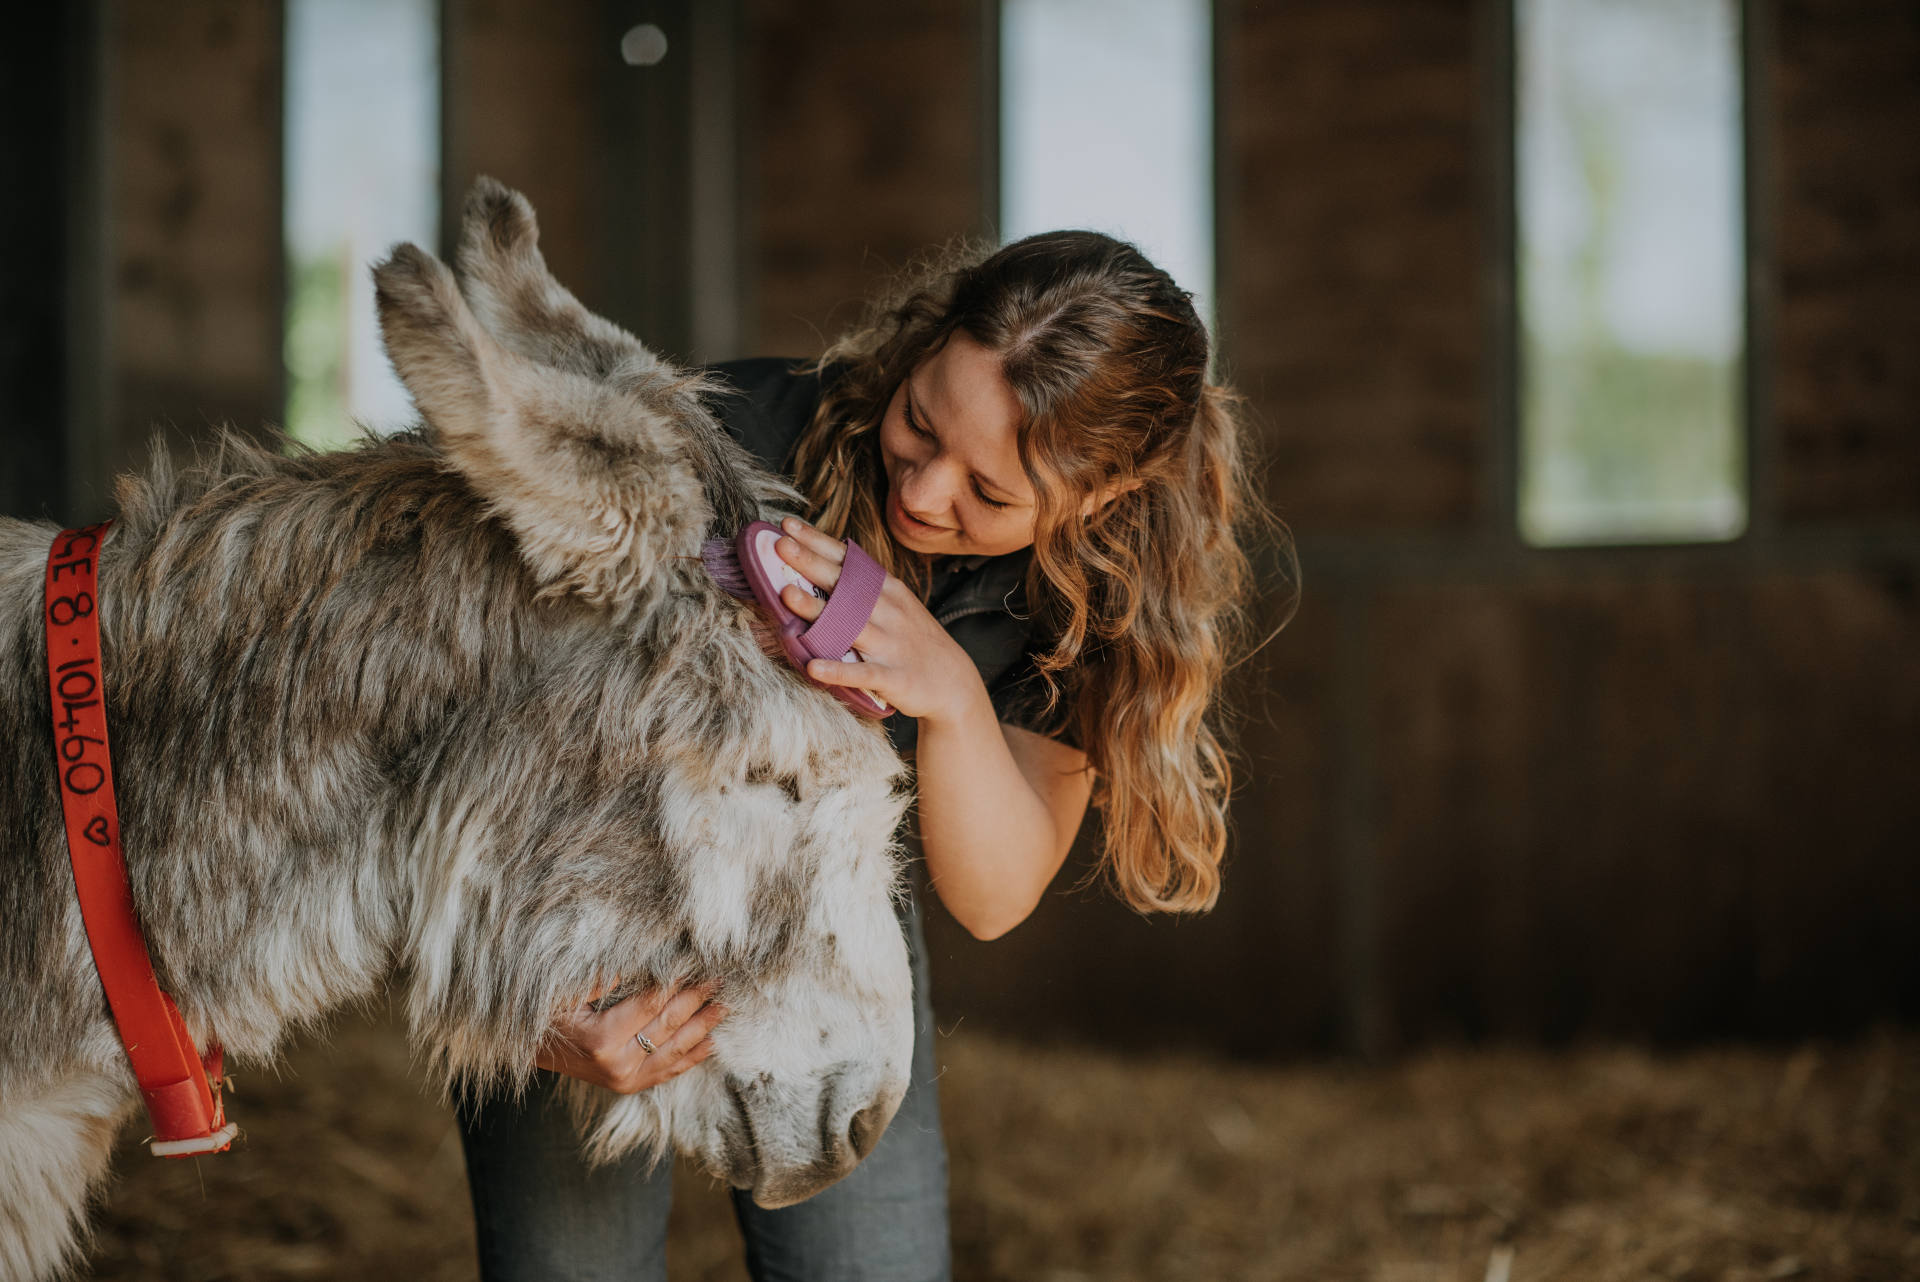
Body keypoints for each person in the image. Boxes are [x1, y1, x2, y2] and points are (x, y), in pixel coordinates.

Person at [456, 229, 1290, 1281]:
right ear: (925, 340)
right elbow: (465, 746)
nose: (927, 494)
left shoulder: (1088, 594)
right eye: (918, 422)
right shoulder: (720, 435)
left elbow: (993, 893)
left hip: (831, 916)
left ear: (1104, 497)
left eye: (991, 495)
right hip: (577, 907)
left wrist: (947, 695)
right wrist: (532, 1014)